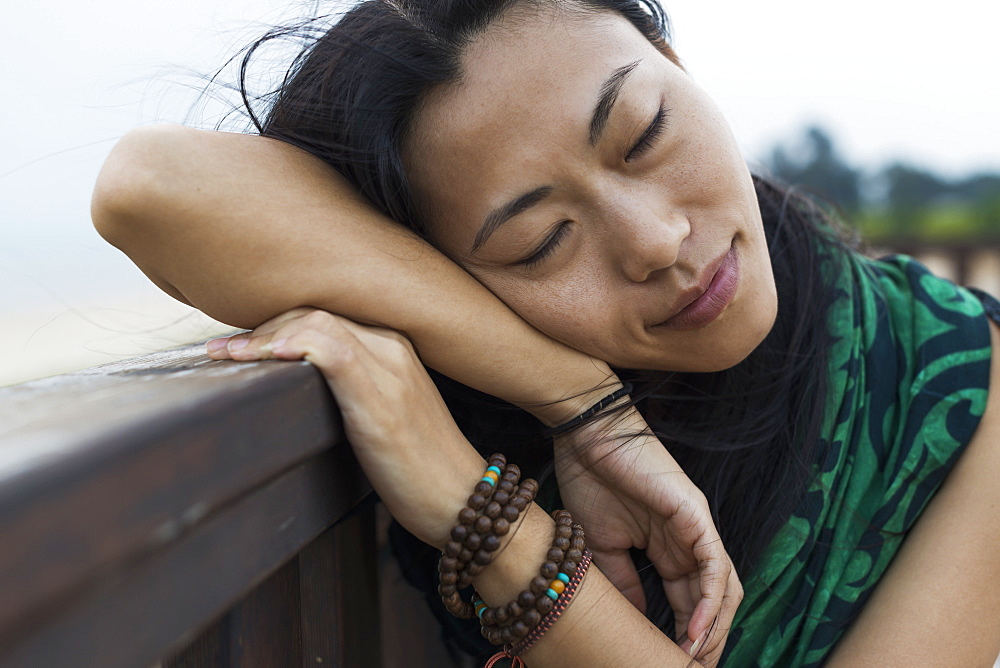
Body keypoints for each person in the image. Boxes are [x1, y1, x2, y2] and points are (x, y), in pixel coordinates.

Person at [91, 0, 1000, 665]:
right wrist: (580, 401)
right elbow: (148, 187)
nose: (657, 241)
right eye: (541, 242)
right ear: (436, 277)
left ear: (673, 60)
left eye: (644, 133)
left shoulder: (969, 378)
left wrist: (483, 518)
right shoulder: (497, 409)